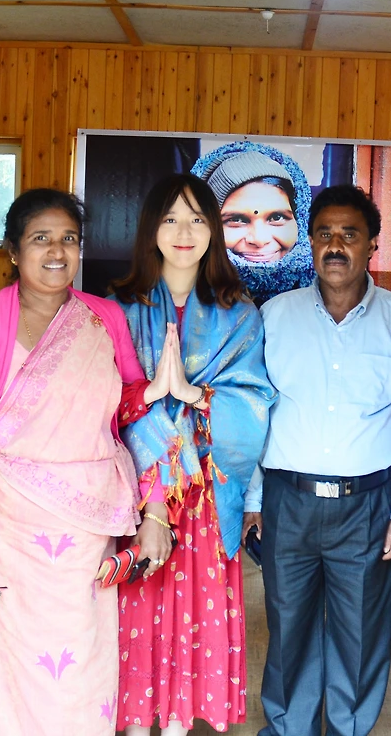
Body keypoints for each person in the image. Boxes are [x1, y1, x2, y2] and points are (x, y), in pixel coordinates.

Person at [0, 189, 150, 736]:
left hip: (86, 532)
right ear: (13, 251)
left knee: (81, 672)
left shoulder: (103, 318)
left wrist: (157, 509)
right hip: (8, 534)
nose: (57, 251)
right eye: (41, 239)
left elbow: (135, 408)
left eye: (69, 239)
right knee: (9, 670)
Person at [243, 185, 391, 736]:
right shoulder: (275, 316)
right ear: (310, 243)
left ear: (372, 245)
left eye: (349, 234)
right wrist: (253, 500)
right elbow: (256, 415)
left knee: (359, 637)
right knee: (288, 629)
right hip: (287, 502)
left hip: (368, 505)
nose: (335, 246)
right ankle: (287, 729)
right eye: (324, 234)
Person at [111, 175, 274, 736]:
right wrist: (150, 395)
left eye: (197, 219)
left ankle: (180, 726)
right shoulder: (118, 310)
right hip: (140, 497)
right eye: (171, 218)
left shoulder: (240, 314)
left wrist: (196, 395)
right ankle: (136, 726)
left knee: (193, 623)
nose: (184, 232)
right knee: (137, 617)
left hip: (206, 497)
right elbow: (103, 406)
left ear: (213, 232)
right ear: (151, 228)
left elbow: (255, 406)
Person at [191, 141, 314, 305]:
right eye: (236, 220)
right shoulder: (185, 299)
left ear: (301, 222)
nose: (259, 240)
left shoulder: (323, 297)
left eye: (276, 217)